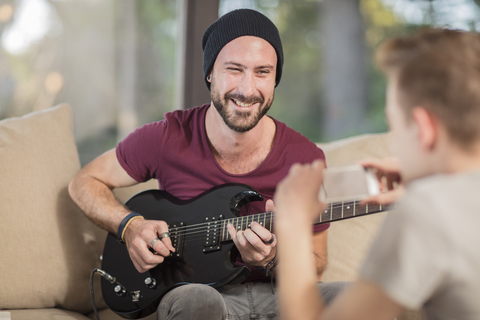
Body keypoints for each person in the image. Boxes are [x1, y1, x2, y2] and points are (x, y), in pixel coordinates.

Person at [69, 8, 345, 320]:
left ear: (275, 79)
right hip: (198, 295)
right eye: (234, 69)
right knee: (198, 301)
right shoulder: (166, 136)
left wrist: (272, 257)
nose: (247, 89)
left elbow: (316, 264)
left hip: (279, 297)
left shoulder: (305, 158)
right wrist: (130, 226)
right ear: (210, 72)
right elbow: (83, 182)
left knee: (359, 297)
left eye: (262, 72)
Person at [274, 28, 480, 320]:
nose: (393, 141)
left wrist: (292, 223)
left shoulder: (426, 210)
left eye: (394, 125)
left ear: (424, 129)